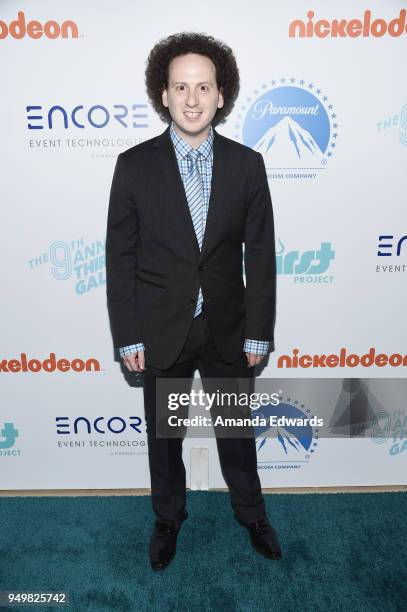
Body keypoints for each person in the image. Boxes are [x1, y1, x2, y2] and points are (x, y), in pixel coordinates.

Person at [105, 32, 280, 570]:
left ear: (221, 95)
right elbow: (121, 258)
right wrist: (128, 334)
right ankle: (167, 519)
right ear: (163, 93)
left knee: (236, 435)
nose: (191, 98)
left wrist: (258, 331)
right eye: (180, 86)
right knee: (164, 438)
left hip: (227, 329)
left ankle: (251, 513)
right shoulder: (134, 165)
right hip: (161, 331)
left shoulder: (248, 165)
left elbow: (261, 255)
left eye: (203, 86)